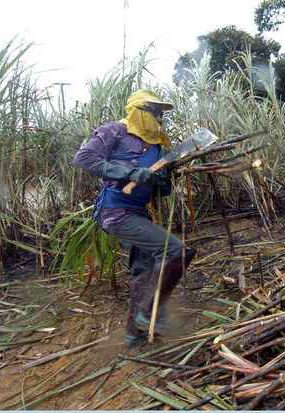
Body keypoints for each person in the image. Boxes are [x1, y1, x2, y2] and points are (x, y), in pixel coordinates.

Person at [73, 89, 195, 345]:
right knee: (176, 251)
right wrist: (129, 173)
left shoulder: (159, 145)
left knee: (144, 270)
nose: (159, 118)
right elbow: (84, 158)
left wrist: (162, 181)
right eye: (154, 111)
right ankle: (148, 313)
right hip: (115, 211)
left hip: (138, 212)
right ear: (139, 110)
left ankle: (133, 333)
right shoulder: (115, 131)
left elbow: (161, 189)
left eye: (161, 113)